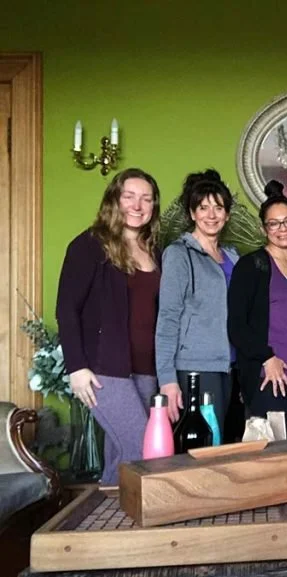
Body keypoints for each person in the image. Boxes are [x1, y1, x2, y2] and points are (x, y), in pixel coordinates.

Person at [56, 168, 161, 485]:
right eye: (129, 196)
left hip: (146, 369)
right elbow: (66, 308)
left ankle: (110, 522)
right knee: (144, 449)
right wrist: (76, 367)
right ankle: (135, 525)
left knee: (121, 457)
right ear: (114, 200)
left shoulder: (154, 248)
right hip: (104, 370)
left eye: (146, 198)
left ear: (154, 205)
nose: (137, 205)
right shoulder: (89, 244)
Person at [228, 181, 287, 439]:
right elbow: (236, 325)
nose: (283, 229)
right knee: (272, 456)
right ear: (263, 228)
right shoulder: (251, 266)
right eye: (274, 223)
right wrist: (267, 358)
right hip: (268, 376)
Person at [155, 169, 239, 432]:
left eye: (218, 208)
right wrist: (167, 379)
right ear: (192, 213)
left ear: (227, 214)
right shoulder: (179, 254)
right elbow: (167, 318)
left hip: (230, 366)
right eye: (203, 208)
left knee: (224, 448)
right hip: (195, 368)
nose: (211, 215)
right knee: (203, 449)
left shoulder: (233, 258)